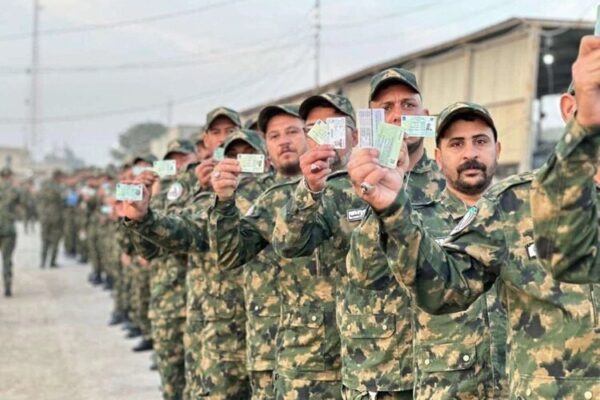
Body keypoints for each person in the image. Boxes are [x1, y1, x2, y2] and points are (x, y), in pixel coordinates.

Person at [344, 35, 600, 398]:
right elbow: (443, 288)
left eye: (480, 141)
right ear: (570, 108)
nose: (470, 154)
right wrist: (392, 210)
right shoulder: (514, 204)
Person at [272, 70, 445, 399]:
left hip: (445, 366)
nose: (397, 116)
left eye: (408, 105)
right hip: (376, 370)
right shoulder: (342, 188)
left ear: (425, 115)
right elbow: (288, 244)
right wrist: (308, 190)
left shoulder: (450, 181)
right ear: (370, 122)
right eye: (386, 108)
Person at [0, 167, 21, 297]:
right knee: (7, 260)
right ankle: (7, 286)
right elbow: (22, 201)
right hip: (8, 229)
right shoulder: (14, 190)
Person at [38, 170, 65, 269]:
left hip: (45, 216)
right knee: (55, 240)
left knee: (45, 240)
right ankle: (52, 262)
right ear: (58, 177)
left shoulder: (44, 185)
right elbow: (64, 199)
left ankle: (43, 261)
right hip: (56, 217)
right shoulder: (59, 187)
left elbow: (39, 198)